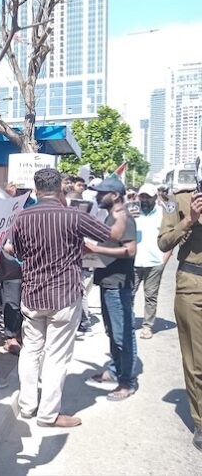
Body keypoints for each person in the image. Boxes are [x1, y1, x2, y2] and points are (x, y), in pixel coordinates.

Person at [12, 168, 126, 427]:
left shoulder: (21, 217)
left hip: (32, 295)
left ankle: (28, 406)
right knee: (56, 356)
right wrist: (119, 212)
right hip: (63, 296)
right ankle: (48, 415)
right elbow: (113, 236)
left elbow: (19, 252)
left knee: (30, 351)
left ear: (36, 189)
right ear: (61, 189)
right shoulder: (73, 216)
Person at [158, 183, 202, 451]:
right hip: (193, 285)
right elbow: (164, 241)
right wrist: (190, 220)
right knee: (197, 360)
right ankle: (200, 420)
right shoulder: (179, 200)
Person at [87, 178, 138, 401]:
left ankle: (127, 381)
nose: (98, 196)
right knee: (112, 332)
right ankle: (115, 370)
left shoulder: (123, 217)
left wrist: (95, 248)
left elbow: (131, 250)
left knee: (122, 335)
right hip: (109, 283)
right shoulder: (111, 216)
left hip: (118, 285)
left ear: (115, 195)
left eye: (102, 193)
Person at [133, 184, 171, 339]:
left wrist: (164, 261)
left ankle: (147, 326)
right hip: (134, 262)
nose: (144, 199)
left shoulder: (163, 214)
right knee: (128, 294)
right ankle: (127, 322)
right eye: (142, 196)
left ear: (155, 197)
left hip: (155, 262)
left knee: (151, 296)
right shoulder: (133, 213)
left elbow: (170, 239)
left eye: (148, 196)